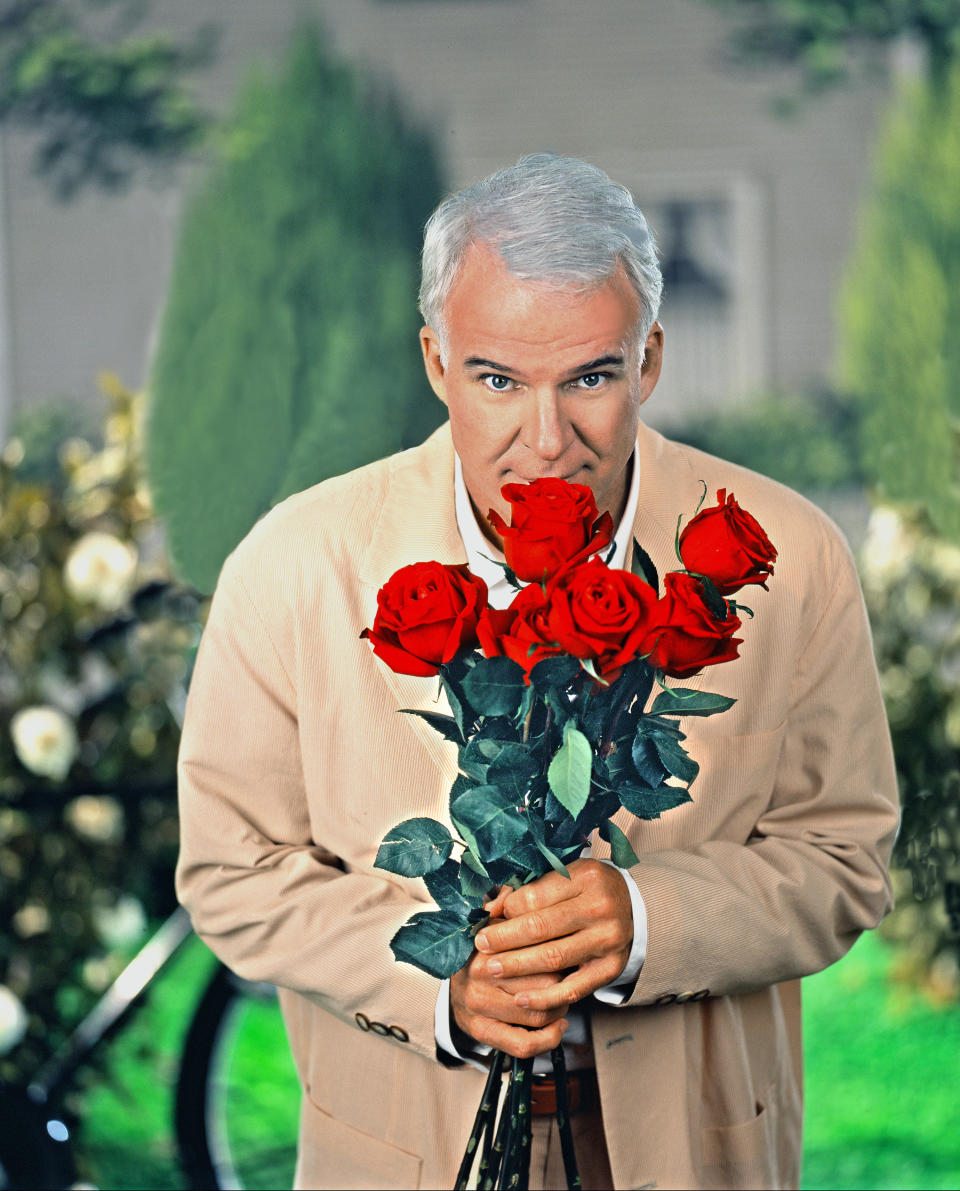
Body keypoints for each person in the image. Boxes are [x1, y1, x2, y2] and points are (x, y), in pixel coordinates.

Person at [176, 154, 899, 1190]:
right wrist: (440, 983)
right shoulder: (292, 564)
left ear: (649, 359)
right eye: (498, 380)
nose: (547, 442)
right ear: (435, 362)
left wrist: (651, 918)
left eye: (592, 378)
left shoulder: (792, 554)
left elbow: (846, 857)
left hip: (702, 1155)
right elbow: (232, 873)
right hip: (403, 1154)